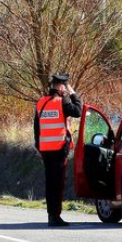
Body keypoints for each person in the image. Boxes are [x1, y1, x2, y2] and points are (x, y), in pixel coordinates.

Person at [34, 73, 83, 226]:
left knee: (50, 183)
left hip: (45, 150)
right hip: (59, 149)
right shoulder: (62, 102)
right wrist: (73, 93)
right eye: (65, 86)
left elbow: (36, 128)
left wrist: (39, 147)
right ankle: (55, 216)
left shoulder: (40, 102)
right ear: (62, 87)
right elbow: (78, 111)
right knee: (58, 184)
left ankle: (51, 215)